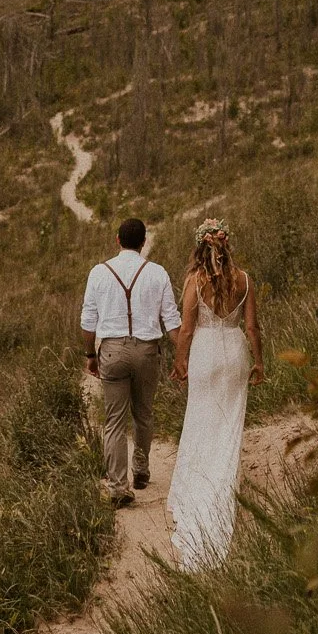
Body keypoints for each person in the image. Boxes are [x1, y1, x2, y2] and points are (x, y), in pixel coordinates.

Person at [168, 218, 262, 569]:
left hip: (206, 354)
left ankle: (198, 489)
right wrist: (260, 363)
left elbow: (188, 330)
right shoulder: (245, 280)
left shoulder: (195, 281)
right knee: (228, 425)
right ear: (226, 245)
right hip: (235, 353)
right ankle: (224, 488)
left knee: (200, 419)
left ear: (200, 248)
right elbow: (252, 326)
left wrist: (181, 364)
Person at [80, 216, 180, 507]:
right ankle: (141, 469)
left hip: (111, 350)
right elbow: (171, 320)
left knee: (114, 421)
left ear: (117, 240)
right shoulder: (157, 273)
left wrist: (90, 355)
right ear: (144, 241)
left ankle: (118, 487)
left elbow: (88, 322)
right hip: (147, 351)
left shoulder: (99, 272)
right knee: (143, 414)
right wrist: (184, 354)